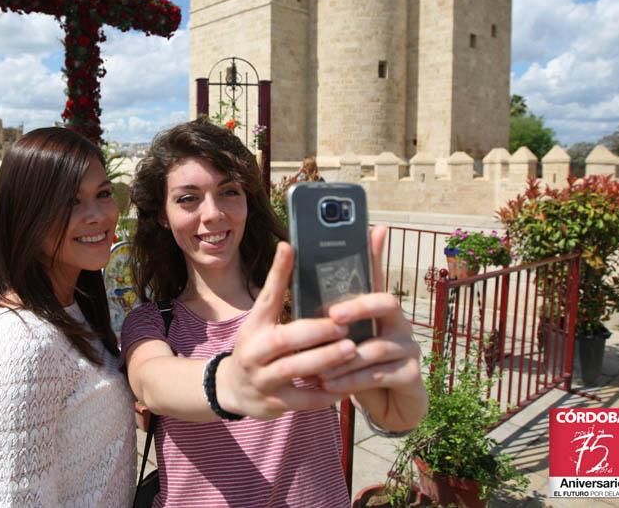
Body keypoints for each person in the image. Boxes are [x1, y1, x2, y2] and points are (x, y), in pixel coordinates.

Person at [122, 119, 427, 507]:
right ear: (163, 215)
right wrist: (231, 381)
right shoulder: (152, 322)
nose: (213, 213)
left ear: (248, 201)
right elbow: (154, 382)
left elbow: (377, 400)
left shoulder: (304, 307)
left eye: (228, 191)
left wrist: (396, 406)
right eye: (188, 198)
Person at [0, 127, 135, 507]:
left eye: (103, 194)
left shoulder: (70, 304)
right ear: (29, 215)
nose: (97, 216)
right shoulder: (20, 342)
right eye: (70, 202)